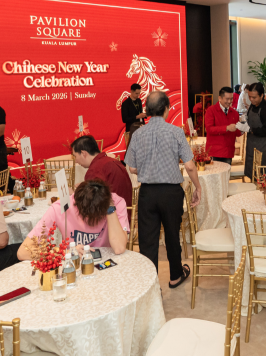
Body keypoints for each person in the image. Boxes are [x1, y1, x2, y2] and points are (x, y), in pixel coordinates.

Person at [125, 91, 202, 288]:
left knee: (148, 241)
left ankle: (151, 286)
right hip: (171, 193)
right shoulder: (176, 132)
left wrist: (147, 168)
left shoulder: (138, 133)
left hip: (147, 193)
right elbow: (190, 166)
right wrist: (198, 187)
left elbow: (131, 167)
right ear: (166, 109)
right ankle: (175, 276)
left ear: (147, 110)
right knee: (172, 235)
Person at [18, 179, 128, 257]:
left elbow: (119, 248)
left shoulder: (116, 203)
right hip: (73, 264)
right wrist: (65, 252)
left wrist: (110, 207)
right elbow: (23, 252)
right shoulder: (61, 207)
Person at [71, 135, 133, 210]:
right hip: (126, 210)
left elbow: (91, 204)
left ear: (83, 153)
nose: (76, 161)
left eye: (75, 156)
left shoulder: (96, 169)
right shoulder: (110, 160)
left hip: (114, 214)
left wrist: (74, 194)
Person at [204, 86, 240, 164]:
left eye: (231, 99)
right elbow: (209, 129)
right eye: (227, 99)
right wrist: (226, 128)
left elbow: (237, 133)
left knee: (227, 172)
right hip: (214, 152)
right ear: (220, 98)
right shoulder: (211, 110)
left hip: (228, 152)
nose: (229, 101)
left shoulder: (235, 113)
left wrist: (243, 129)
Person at [245, 83, 266, 167]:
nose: (251, 99)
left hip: (262, 147)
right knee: (250, 171)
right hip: (250, 145)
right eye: (249, 96)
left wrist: (251, 130)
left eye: (254, 97)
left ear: (262, 95)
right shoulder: (252, 105)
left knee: (260, 172)